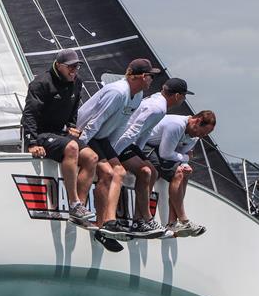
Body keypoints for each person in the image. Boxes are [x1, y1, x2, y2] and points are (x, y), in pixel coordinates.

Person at [19, 49, 122, 251]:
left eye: (77, 66)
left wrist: (70, 125)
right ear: (59, 65)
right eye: (71, 67)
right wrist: (32, 142)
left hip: (60, 134)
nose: (75, 70)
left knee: (92, 157)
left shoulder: (77, 82)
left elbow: (73, 109)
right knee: (73, 147)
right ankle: (74, 202)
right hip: (42, 134)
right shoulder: (41, 83)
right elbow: (29, 115)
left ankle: (78, 208)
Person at [76, 58, 159, 239]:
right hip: (87, 133)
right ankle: (104, 221)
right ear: (142, 76)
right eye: (151, 76)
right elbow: (94, 121)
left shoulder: (136, 96)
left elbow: (121, 126)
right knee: (107, 172)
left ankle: (109, 222)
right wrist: (80, 145)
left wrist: (112, 152)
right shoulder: (118, 92)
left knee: (119, 171)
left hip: (102, 137)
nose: (152, 80)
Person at [112, 77, 192, 237]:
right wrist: (114, 154)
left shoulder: (158, 101)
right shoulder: (158, 107)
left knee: (153, 172)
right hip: (119, 141)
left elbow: (146, 131)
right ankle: (144, 220)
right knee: (146, 172)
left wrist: (139, 152)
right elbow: (133, 130)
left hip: (130, 144)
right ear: (177, 96)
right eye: (184, 96)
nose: (183, 99)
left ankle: (138, 220)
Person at [144, 110, 217, 236]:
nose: (201, 136)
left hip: (160, 150)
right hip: (145, 145)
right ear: (197, 121)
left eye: (205, 134)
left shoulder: (194, 136)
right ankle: (184, 220)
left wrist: (185, 164)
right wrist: (186, 159)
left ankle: (172, 222)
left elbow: (180, 154)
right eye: (203, 132)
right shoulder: (177, 125)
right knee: (178, 171)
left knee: (183, 172)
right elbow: (166, 154)